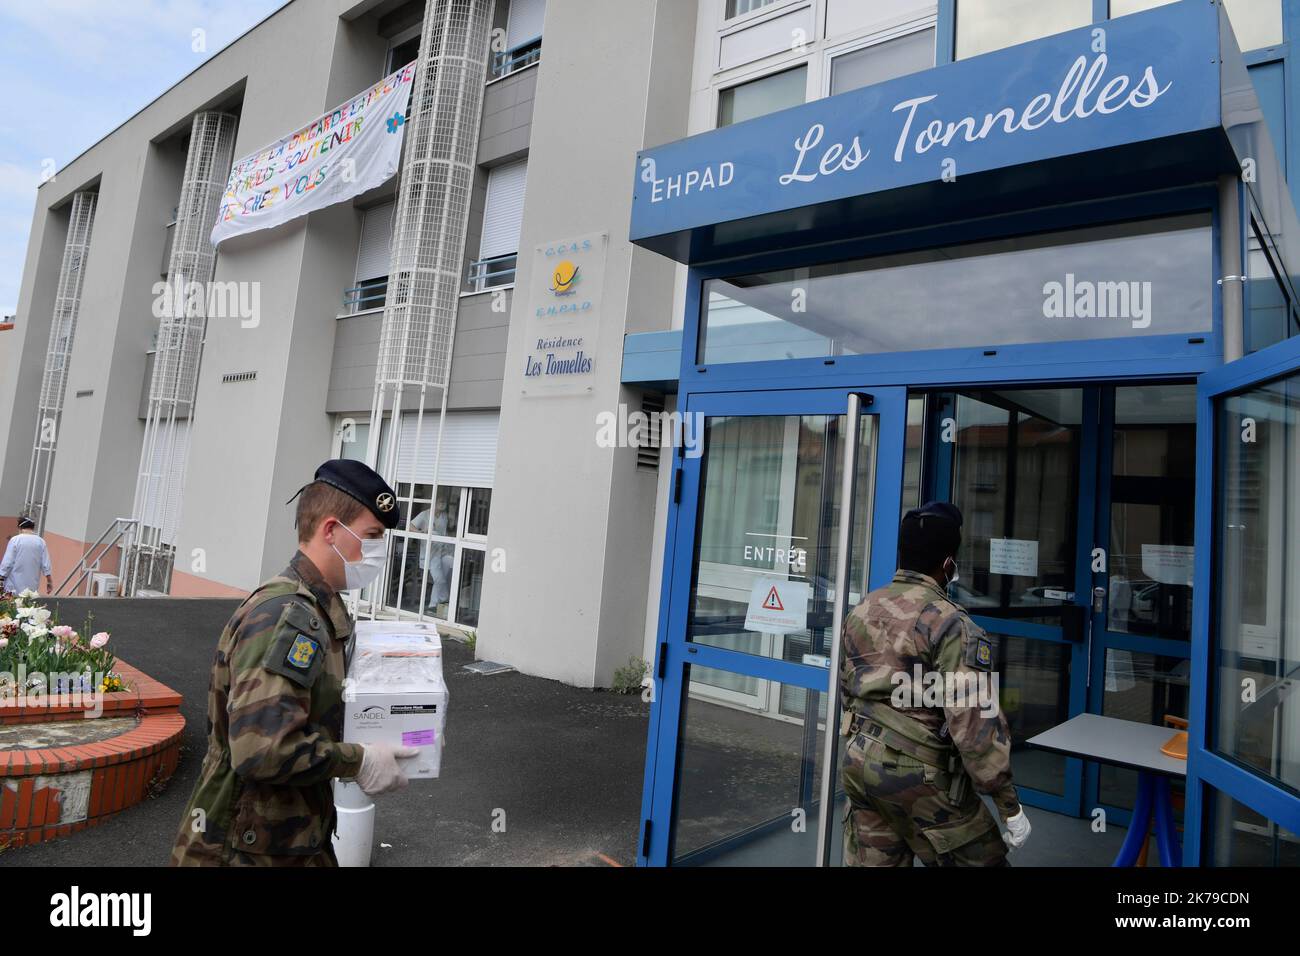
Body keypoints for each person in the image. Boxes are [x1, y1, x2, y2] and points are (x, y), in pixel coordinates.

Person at [170, 459, 419, 866]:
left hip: (283, 839)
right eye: (371, 537)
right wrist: (359, 760)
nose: (377, 553)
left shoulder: (316, 608)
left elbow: (307, 714)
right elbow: (262, 748)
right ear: (331, 530)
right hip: (242, 848)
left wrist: (406, 733)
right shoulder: (290, 616)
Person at [839, 501, 1031, 866]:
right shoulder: (950, 623)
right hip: (919, 778)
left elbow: (847, 691)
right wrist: (1008, 805)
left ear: (903, 552)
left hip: (859, 764)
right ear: (948, 564)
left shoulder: (863, 607)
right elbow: (975, 725)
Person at [0, 517, 53, 596]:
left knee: (13, 606)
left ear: (20, 527)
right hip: (32, 587)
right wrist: (49, 581)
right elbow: (46, 564)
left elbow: (7, 563)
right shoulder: (40, 542)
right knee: (28, 605)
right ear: (32, 528)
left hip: (13, 586)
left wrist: (1, 578)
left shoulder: (15, 540)